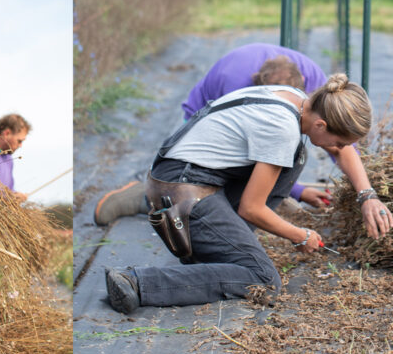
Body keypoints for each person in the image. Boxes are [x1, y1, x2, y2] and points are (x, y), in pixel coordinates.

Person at [104, 74, 393, 314]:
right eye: (340, 142)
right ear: (321, 125)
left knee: (296, 157)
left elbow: (325, 149)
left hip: (183, 178)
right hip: (181, 192)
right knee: (264, 279)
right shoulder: (283, 130)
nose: (339, 149)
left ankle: (223, 250)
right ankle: (135, 281)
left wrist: (367, 195)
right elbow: (251, 208)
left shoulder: (294, 99)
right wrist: (300, 235)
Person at [94, 43, 333, 226]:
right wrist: (297, 193)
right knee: (206, 191)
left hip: (241, 135)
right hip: (199, 131)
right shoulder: (240, 91)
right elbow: (265, 155)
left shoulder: (310, 82)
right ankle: (147, 197)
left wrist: (364, 192)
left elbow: (337, 137)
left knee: (277, 159)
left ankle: (224, 215)